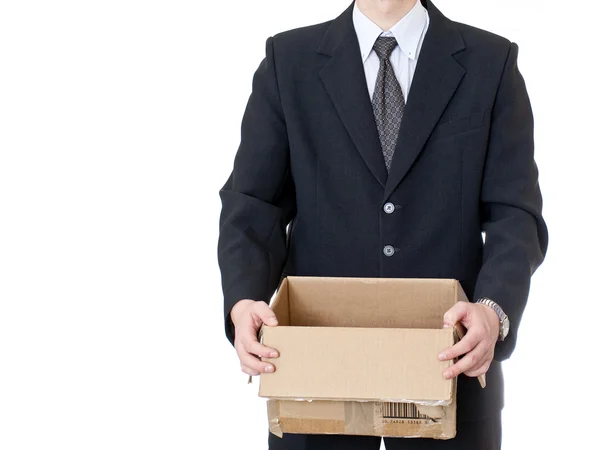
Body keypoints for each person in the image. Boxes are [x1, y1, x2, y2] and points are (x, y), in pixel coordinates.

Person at [217, 0, 548, 448]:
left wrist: (494, 310)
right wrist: (244, 300)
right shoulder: (287, 60)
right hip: (315, 371)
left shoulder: (492, 62)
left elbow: (516, 213)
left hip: (449, 368)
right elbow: (253, 205)